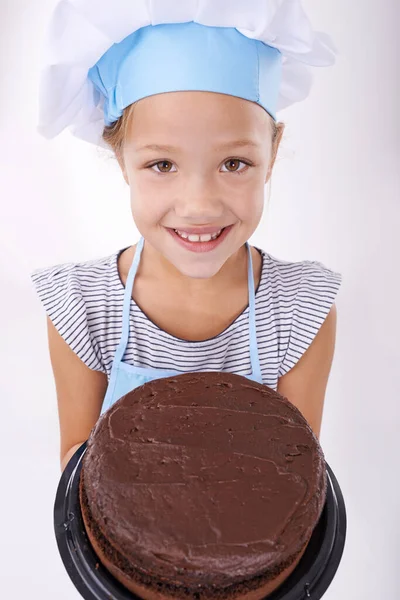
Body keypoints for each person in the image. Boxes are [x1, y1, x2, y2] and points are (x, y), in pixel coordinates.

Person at [31, 0, 342, 472]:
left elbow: (295, 478)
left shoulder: (301, 310)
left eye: (234, 163)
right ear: (121, 161)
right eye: (162, 165)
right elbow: (79, 471)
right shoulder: (82, 307)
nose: (198, 205)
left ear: (272, 155)